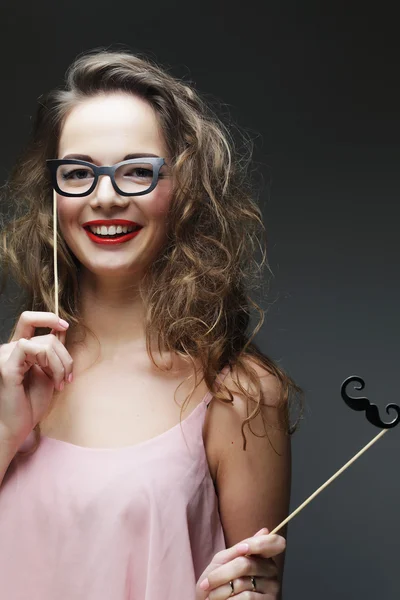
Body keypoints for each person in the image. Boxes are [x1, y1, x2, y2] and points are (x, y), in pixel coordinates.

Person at [0, 48, 303, 599]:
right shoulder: (7, 383)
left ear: (183, 190)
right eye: (78, 173)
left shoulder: (238, 394)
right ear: (53, 194)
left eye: (137, 172)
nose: (106, 197)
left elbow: (255, 589)